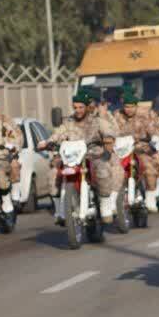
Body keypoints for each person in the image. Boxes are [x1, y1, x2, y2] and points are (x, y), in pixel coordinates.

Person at [43, 89, 121, 223]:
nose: (78, 110)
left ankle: (105, 204)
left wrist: (108, 139)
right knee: (53, 174)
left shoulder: (96, 121)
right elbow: (58, 134)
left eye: (81, 107)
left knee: (103, 169)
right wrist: (48, 142)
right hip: (71, 157)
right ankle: (59, 210)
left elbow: (109, 131)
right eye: (75, 107)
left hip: (92, 155)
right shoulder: (68, 122)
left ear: (86, 107)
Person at [111, 85, 159, 212]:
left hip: (142, 147)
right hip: (122, 149)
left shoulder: (146, 114)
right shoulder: (117, 115)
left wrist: (155, 136)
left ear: (136, 105)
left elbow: (158, 127)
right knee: (111, 169)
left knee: (149, 167)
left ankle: (150, 198)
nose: (128, 110)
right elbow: (110, 129)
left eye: (131, 107)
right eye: (126, 107)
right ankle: (112, 201)